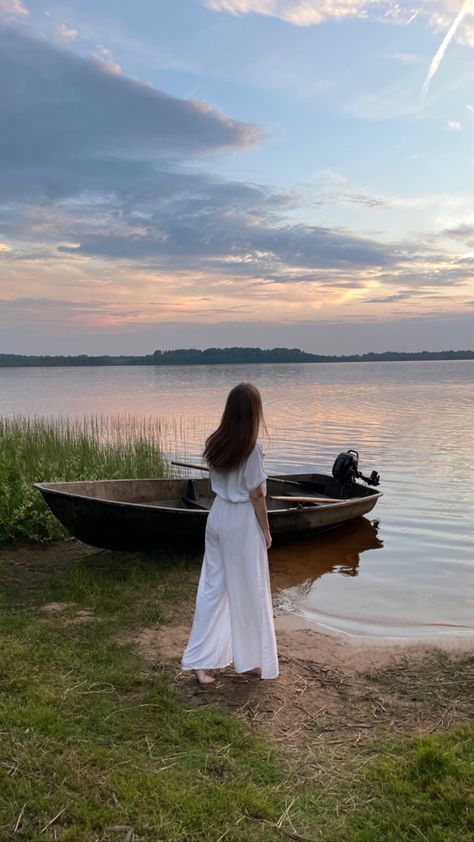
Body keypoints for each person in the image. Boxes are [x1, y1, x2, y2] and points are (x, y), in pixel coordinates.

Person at [181, 382, 279, 685]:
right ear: (253, 414)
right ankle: (250, 660)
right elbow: (257, 495)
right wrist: (266, 529)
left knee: (213, 589)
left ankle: (201, 662)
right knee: (250, 591)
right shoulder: (251, 450)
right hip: (240, 522)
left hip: (218, 516)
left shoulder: (215, 443)